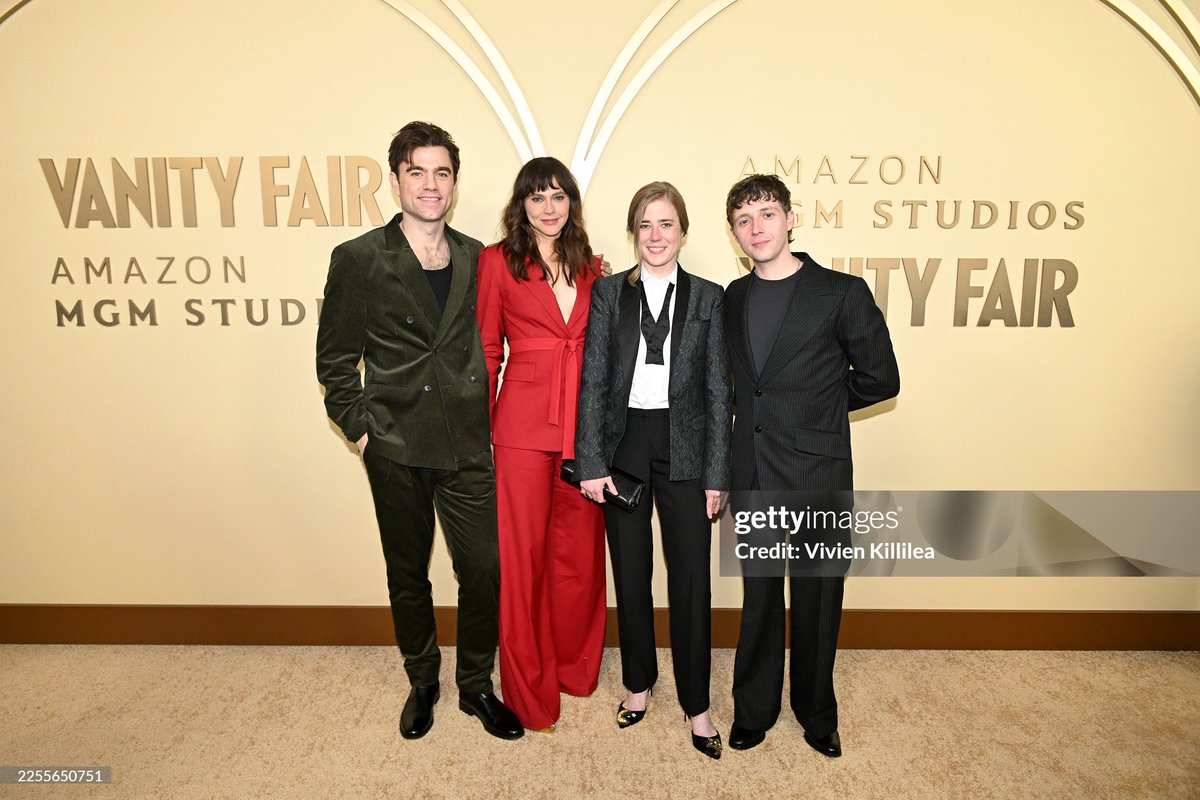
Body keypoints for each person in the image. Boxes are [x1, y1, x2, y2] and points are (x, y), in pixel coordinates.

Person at [315, 121, 523, 742]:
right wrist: (361, 431)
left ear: (454, 183)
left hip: (466, 443)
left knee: (483, 569)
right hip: (395, 444)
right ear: (396, 179)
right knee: (408, 572)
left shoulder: (475, 257)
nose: (430, 184)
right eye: (417, 171)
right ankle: (423, 679)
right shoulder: (357, 259)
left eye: (441, 173)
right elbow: (334, 360)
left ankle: (476, 685)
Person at [722, 174, 899, 757]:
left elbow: (882, 379)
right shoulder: (734, 297)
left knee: (820, 603)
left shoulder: (842, 292)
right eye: (744, 220)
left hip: (819, 475)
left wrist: (820, 409)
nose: (757, 228)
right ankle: (753, 710)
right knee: (761, 600)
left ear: (790, 219)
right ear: (735, 233)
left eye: (767, 214)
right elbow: (736, 388)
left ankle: (817, 714)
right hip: (755, 475)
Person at [575, 182, 732, 759]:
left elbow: (719, 391)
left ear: (683, 232)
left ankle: (698, 704)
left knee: (691, 577)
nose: (656, 235)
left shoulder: (709, 298)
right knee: (631, 570)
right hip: (625, 446)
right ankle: (638, 684)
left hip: (686, 446)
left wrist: (718, 473)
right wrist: (591, 460)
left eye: (666, 224)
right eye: (645, 224)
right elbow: (593, 380)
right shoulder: (609, 294)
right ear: (633, 233)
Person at [475, 157, 607, 732]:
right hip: (522, 431)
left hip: (584, 431)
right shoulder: (494, 262)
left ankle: (574, 672)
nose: (548, 208)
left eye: (558, 196)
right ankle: (529, 693)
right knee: (523, 562)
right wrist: (482, 432)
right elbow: (486, 352)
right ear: (521, 205)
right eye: (537, 197)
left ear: (571, 203)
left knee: (579, 559)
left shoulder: (594, 266)